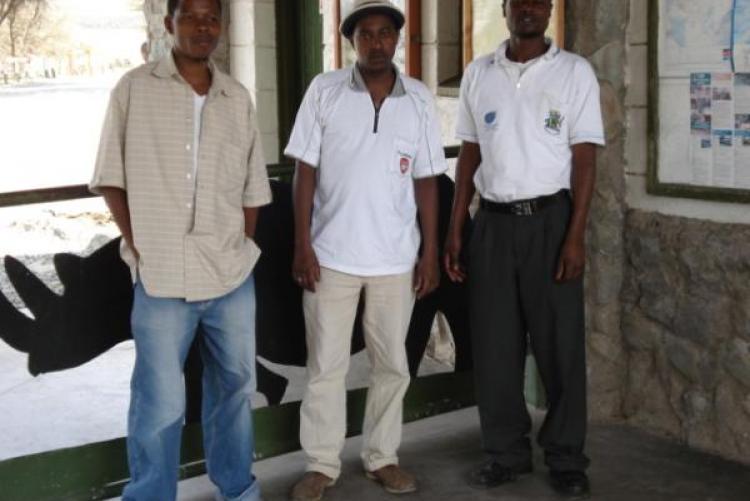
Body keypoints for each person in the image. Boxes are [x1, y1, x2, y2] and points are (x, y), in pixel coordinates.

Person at [89, 0, 271, 499]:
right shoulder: (133, 90)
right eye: (189, 15)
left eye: (212, 16)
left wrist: (241, 245)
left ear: (222, 26)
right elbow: (110, 179)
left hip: (230, 274)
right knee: (160, 400)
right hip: (162, 275)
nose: (202, 25)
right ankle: (150, 494)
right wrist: (139, 245)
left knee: (234, 390)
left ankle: (237, 489)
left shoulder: (237, 97)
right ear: (170, 24)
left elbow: (253, 189)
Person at [283, 1, 447, 499]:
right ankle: (321, 464)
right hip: (331, 256)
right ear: (351, 41)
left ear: (397, 39)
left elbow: (427, 180)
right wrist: (302, 244)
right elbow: (304, 170)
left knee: (391, 365)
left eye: (385, 33)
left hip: (396, 259)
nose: (376, 42)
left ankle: (382, 457)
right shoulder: (324, 91)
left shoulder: (418, 98)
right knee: (325, 368)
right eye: (365, 34)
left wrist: (430, 253)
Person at [444, 0, 605, 498]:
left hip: (550, 224)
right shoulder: (478, 73)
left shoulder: (575, 73)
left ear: (550, 11)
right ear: (506, 9)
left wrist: (575, 235)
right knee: (495, 346)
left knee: (560, 346)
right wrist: (456, 229)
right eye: (521, 1)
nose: (530, 9)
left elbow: (584, 160)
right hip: (491, 225)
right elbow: (469, 154)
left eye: (540, 1)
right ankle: (505, 452)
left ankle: (565, 456)